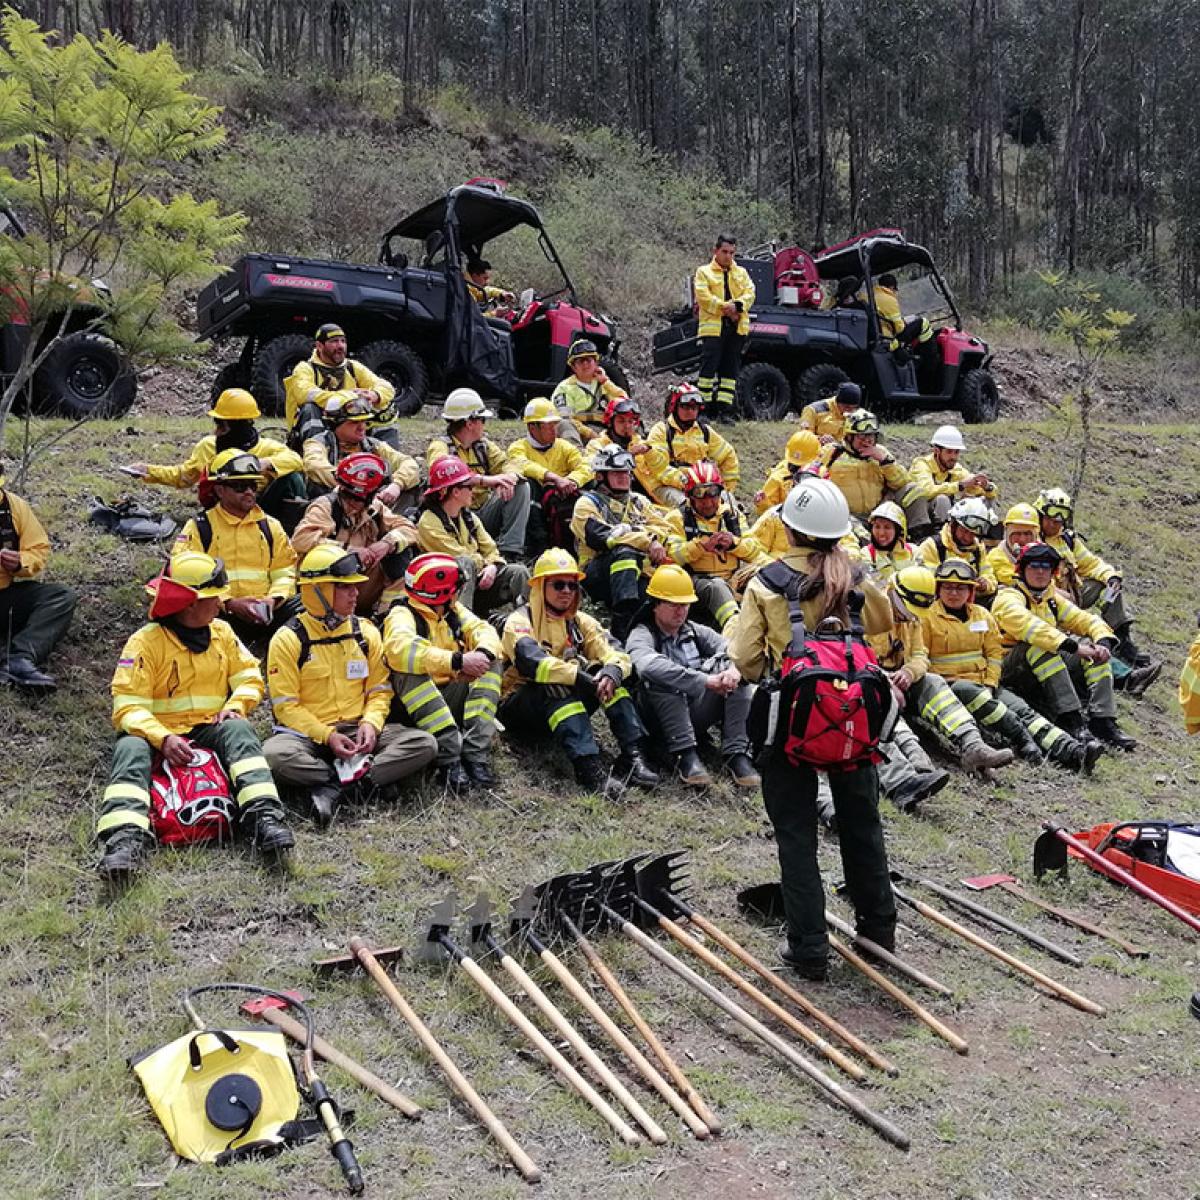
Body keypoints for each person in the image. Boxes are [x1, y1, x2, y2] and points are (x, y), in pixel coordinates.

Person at [727, 476, 896, 981]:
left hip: (791, 725)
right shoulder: (858, 578)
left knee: (796, 834)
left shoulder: (766, 583)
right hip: (853, 724)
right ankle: (878, 933)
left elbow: (746, 660)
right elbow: (887, 622)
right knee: (863, 825)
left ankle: (808, 949)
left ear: (790, 527)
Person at [95, 552, 293, 881]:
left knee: (240, 730)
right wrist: (163, 738)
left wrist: (237, 705)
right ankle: (124, 840)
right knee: (129, 748)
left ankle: (264, 819)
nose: (220, 603)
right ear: (189, 604)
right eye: (213, 597)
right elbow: (127, 706)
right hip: (156, 735)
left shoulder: (223, 633)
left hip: (208, 727)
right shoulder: (144, 643)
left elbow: (249, 677)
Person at [263, 543, 437, 826]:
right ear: (317, 591)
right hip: (309, 738)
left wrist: (371, 724)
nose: (356, 593)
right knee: (273, 756)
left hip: (359, 731)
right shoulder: (287, 639)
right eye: (345, 587)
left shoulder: (365, 631)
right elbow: (286, 708)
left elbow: (379, 690)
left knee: (424, 744)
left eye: (355, 586)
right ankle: (364, 780)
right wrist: (328, 735)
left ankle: (334, 786)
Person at [918, 557, 1102, 773]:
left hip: (985, 684)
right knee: (1004, 713)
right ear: (938, 589)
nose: (954, 593)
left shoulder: (982, 615)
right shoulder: (926, 618)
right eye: (948, 587)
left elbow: (994, 654)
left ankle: (1072, 752)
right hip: (952, 688)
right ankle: (1024, 741)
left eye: (960, 588)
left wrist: (990, 682)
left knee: (1024, 711)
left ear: (970, 591)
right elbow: (923, 658)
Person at [499, 548, 658, 793]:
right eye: (558, 585)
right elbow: (532, 663)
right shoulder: (520, 621)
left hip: (564, 702)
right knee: (556, 684)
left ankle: (633, 755)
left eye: (572, 586)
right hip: (519, 705)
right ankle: (589, 769)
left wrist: (612, 672)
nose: (566, 592)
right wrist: (578, 677)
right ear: (540, 586)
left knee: (610, 678)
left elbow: (615, 651)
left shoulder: (580, 621)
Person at [992, 541, 1136, 751]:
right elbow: (1031, 628)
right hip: (1009, 668)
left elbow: (1085, 619)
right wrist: (1072, 647)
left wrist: (1103, 641)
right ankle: (1071, 720)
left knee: (1094, 651)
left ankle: (1103, 720)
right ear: (1021, 569)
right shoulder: (1008, 597)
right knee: (1042, 647)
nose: (1041, 572)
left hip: (1039, 663)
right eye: (1034, 566)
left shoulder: (1050, 598)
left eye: (1046, 567)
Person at [626, 564, 758, 788]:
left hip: (694, 709)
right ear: (655, 605)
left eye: (685, 605)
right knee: (665, 677)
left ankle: (737, 754)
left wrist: (733, 671)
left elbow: (732, 650)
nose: (681, 611)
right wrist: (703, 680)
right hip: (657, 717)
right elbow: (648, 666)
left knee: (738, 676)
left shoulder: (696, 631)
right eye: (673, 604)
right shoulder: (641, 634)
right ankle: (684, 755)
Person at [382, 552, 505, 792]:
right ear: (441, 591)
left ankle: (474, 755)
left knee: (492, 661)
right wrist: (457, 661)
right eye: (456, 587)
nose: (459, 591)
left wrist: (482, 655)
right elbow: (400, 649)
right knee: (407, 670)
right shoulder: (402, 614)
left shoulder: (451, 610)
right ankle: (449, 761)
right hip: (410, 709)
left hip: (445, 695)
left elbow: (483, 629)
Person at [877, 566, 1013, 774]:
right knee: (882, 699)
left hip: (904, 680)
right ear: (894, 593)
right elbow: (860, 661)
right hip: (876, 684)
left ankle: (972, 744)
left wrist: (909, 672)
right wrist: (886, 681)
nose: (912, 616)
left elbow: (920, 654)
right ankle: (914, 756)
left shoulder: (911, 616)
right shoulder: (869, 615)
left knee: (933, 681)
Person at [122, 388, 308, 529]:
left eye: (222, 427)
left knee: (293, 478)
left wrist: (262, 464)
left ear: (239, 426)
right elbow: (184, 476)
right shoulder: (208, 446)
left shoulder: (268, 448)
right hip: (221, 511)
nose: (217, 432)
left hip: (259, 510)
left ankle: (295, 527)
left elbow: (297, 460)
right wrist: (148, 471)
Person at [173, 451, 297, 645]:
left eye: (252, 485)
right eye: (240, 486)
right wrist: (229, 603)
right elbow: (183, 574)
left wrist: (273, 599)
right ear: (220, 490)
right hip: (219, 613)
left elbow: (285, 571)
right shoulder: (200, 527)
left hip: (268, 612)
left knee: (309, 604)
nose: (248, 492)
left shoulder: (270, 526)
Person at [1033, 487, 1156, 675]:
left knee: (1107, 586)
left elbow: (1091, 563)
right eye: (1050, 517)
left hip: (1072, 596)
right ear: (1040, 514)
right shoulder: (1030, 540)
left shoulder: (1067, 540)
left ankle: (1121, 640)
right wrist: (1055, 594)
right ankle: (1121, 672)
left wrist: (1111, 577)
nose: (1055, 522)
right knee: (1074, 641)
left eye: (1060, 518)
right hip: (1047, 604)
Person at [291, 452, 419, 615]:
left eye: (359, 499)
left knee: (401, 552)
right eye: (349, 496)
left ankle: (385, 614)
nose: (353, 503)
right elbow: (300, 540)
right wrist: (349, 551)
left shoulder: (375, 509)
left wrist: (387, 543)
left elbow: (409, 529)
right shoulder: (326, 506)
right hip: (328, 591)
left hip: (362, 590)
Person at [570, 445, 674, 640]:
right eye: (617, 473)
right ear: (601, 476)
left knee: (660, 596)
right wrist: (646, 540)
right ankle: (620, 627)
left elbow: (665, 530)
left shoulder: (638, 501)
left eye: (626, 472)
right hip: (596, 576)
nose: (624, 477)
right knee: (624, 552)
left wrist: (637, 533)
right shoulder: (587, 504)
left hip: (639, 573)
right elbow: (603, 537)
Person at [415, 456, 530, 614]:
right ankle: (463, 624)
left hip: (478, 580)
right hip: (446, 592)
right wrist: (486, 565)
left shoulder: (469, 518)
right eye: (469, 486)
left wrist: (494, 565)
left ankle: (525, 621)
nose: (473, 490)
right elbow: (457, 556)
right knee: (465, 563)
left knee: (519, 572)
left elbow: (491, 549)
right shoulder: (428, 522)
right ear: (455, 492)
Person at [426, 388, 530, 561]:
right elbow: (443, 476)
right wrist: (487, 481)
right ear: (469, 423)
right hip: (453, 519)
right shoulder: (440, 447)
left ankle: (509, 552)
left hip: (481, 515)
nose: (484, 425)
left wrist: (509, 478)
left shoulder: (483, 446)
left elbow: (509, 463)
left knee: (520, 486)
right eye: (482, 419)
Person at [0, 466, 76, 690]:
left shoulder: (14, 507)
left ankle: (18, 659)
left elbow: (38, 549)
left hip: (4, 596)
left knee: (61, 597)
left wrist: (20, 562)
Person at [667, 462, 768, 631]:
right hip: (698, 582)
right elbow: (672, 556)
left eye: (712, 495)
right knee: (717, 587)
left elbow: (755, 549)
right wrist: (701, 546)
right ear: (690, 496)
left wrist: (733, 543)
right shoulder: (677, 518)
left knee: (768, 571)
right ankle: (734, 631)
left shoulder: (732, 516)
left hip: (733, 578)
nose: (707, 503)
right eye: (700, 496)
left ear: (720, 493)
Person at [284, 323, 398, 449]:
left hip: (349, 424)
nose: (340, 346)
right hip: (322, 425)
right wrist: (345, 399)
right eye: (334, 341)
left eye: (343, 341)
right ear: (319, 346)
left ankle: (387, 456)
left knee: (384, 406)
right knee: (310, 408)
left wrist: (375, 395)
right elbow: (305, 394)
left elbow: (386, 387)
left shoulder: (352, 367)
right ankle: (316, 456)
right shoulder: (305, 368)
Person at [303, 394, 421, 509]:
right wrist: (355, 485)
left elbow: (408, 463)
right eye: (354, 422)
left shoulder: (373, 445)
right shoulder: (317, 443)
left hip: (372, 506)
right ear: (335, 423)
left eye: (364, 421)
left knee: (413, 487)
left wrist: (397, 485)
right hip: (332, 508)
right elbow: (315, 466)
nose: (362, 427)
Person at [507, 397, 591, 554]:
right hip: (535, 511)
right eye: (548, 426)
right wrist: (553, 478)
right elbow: (521, 464)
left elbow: (585, 466)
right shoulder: (518, 448)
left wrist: (572, 481)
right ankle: (539, 546)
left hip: (561, 503)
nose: (554, 430)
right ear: (532, 428)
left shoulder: (564, 447)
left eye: (555, 424)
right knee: (527, 485)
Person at [694, 233, 755, 422]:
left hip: (736, 329)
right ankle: (702, 411)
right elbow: (704, 298)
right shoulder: (704, 272)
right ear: (715, 251)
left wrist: (737, 306)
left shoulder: (741, 273)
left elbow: (750, 293)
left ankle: (725, 411)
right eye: (724, 252)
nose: (728, 256)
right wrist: (727, 309)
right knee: (708, 371)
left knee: (730, 372)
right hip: (713, 330)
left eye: (732, 253)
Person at [646, 383, 740, 505]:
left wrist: (726, 487)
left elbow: (728, 455)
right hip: (667, 486)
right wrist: (684, 481)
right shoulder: (661, 430)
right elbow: (658, 466)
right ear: (675, 406)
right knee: (685, 506)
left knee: (729, 503)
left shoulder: (705, 431)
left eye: (694, 408)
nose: (690, 411)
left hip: (701, 485)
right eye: (686, 407)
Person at [900, 425, 997, 542]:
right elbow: (926, 490)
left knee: (958, 501)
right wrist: (959, 486)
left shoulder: (956, 470)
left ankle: (944, 538)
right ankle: (923, 539)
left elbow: (981, 490)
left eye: (956, 452)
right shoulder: (921, 464)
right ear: (936, 451)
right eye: (949, 452)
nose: (953, 457)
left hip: (936, 517)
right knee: (941, 499)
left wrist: (987, 487)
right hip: (914, 518)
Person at [590, 395, 687, 504]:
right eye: (621, 421)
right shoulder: (597, 445)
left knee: (683, 502)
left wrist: (649, 451)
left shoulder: (642, 444)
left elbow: (662, 468)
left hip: (652, 491)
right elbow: (590, 471)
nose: (627, 426)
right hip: (614, 495)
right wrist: (626, 455)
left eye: (631, 422)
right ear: (610, 422)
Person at [819, 408, 908, 521]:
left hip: (878, 517)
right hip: (843, 517)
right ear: (849, 437)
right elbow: (810, 477)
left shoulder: (882, 453)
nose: (867, 440)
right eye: (862, 436)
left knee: (913, 489)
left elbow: (902, 483)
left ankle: (919, 530)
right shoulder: (832, 452)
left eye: (871, 435)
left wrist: (884, 461)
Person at [915, 497, 999, 603]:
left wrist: (985, 584)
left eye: (972, 534)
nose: (968, 537)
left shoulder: (978, 547)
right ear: (953, 525)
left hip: (969, 605)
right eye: (964, 531)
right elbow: (927, 582)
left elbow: (989, 574)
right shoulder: (932, 546)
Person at [551, 339, 626, 447]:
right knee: (563, 424)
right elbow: (565, 418)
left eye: (588, 360)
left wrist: (606, 382)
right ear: (573, 366)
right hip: (579, 433)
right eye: (580, 361)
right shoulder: (564, 388)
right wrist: (590, 433)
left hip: (605, 431)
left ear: (596, 363)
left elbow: (624, 403)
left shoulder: (603, 383)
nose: (585, 364)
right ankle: (576, 458)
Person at [872, 272, 936, 375]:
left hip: (876, 337)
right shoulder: (888, 299)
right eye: (895, 290)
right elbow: (899, 328)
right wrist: (904, 322)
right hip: (889, 341)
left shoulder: (869, 296)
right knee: (923, 323)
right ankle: (930, 366)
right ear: (892, 287)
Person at [754, 430, 821, 514]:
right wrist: (764, 504)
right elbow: (768, 515)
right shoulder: (778, 478)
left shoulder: (822, 474)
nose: (795, 467)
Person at [986, 502, 1040, 588]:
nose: (1022, 540)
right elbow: (1017, 582)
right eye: (1017, 534)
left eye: (1027, 534)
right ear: (1007, 533)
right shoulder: (996, 557)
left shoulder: (1042, 553)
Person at [863, 500, 916, 585]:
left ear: (898, 531)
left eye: (887, 527)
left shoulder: (914, 552)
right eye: (877, 527)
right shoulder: (866, 554)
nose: (881, 533)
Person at [797, 381, 864, 444]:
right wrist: (819, 439)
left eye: (854, 408)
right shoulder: (812, 410)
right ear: (838, 402)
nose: (850, 411)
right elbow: (804, 436)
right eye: (847, 407)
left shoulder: (854, 415)